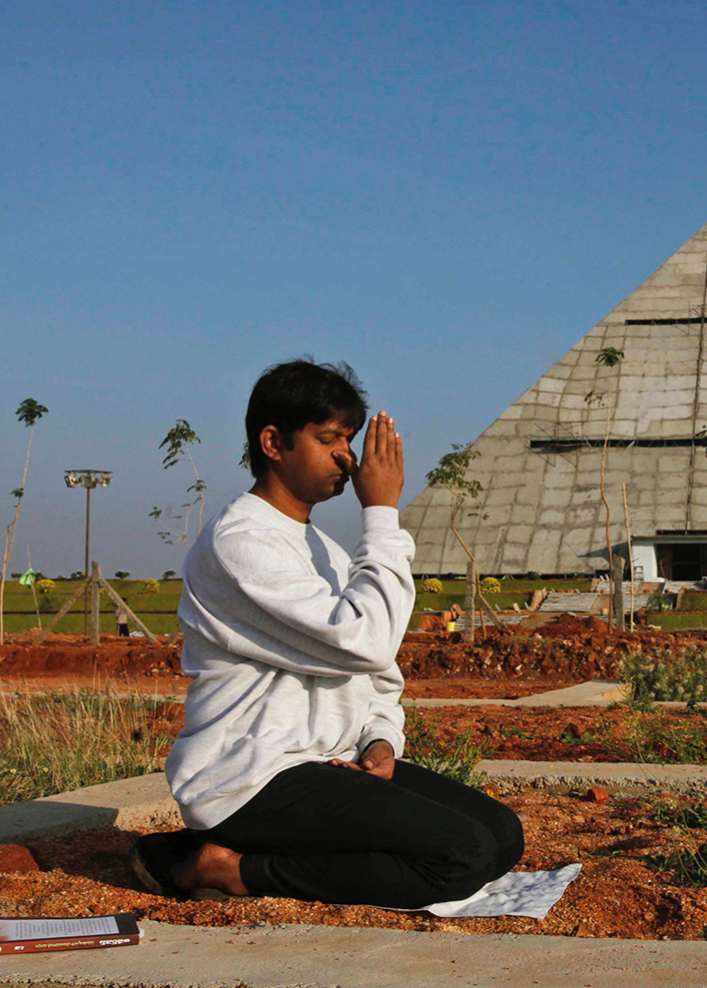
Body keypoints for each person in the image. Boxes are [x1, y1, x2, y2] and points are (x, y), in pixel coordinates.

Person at [129, 359, 522, 907]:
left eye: (351, 439)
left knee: (502, 838)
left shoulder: (327, 552)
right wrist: (382, 512)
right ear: (273, 441)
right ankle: (231, 869)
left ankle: (212, 850)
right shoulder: (241, 542)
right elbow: (366, 640)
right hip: (252, 776)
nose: (348, 457)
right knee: (463, 856)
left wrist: (380, 739)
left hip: (328, 764)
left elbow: (379, 673)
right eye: (328, 438)